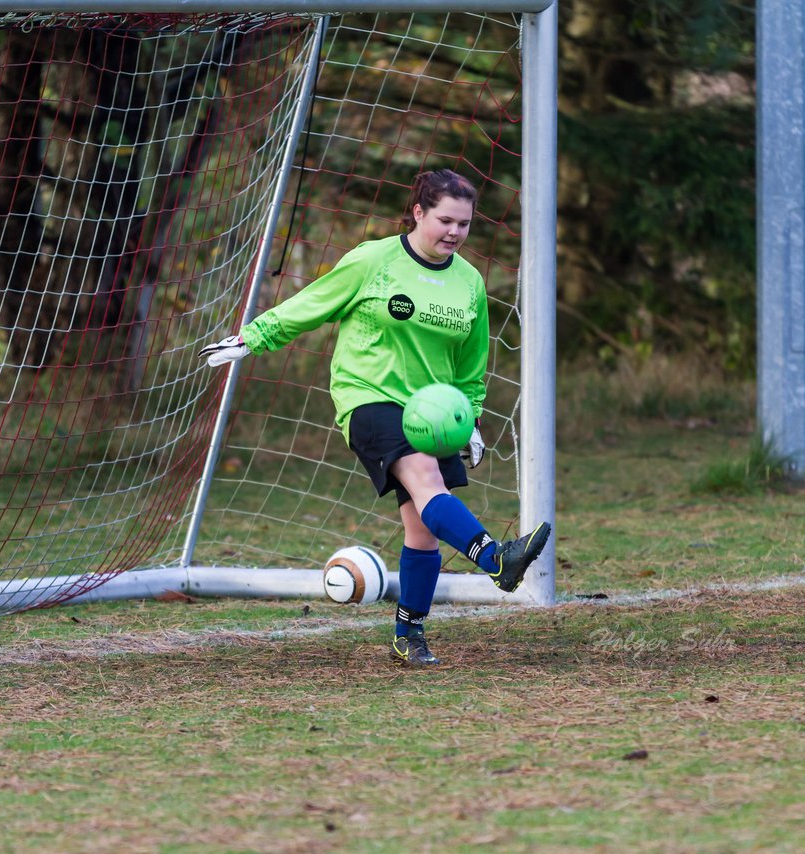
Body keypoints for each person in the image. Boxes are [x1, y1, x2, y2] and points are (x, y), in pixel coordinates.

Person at [200, 168, 551, 667]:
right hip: (368, 398)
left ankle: (409, 634)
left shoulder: (469, 282)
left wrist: (469, 418)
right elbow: (312, 305)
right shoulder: (373, 260)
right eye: (445, 220)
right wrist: (253, 337)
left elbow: (472, 366)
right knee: (427, 477)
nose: (454, 232)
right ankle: (496, 559)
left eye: (464, 224)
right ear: (418, 212)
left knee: (423, 526)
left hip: (432, 410)